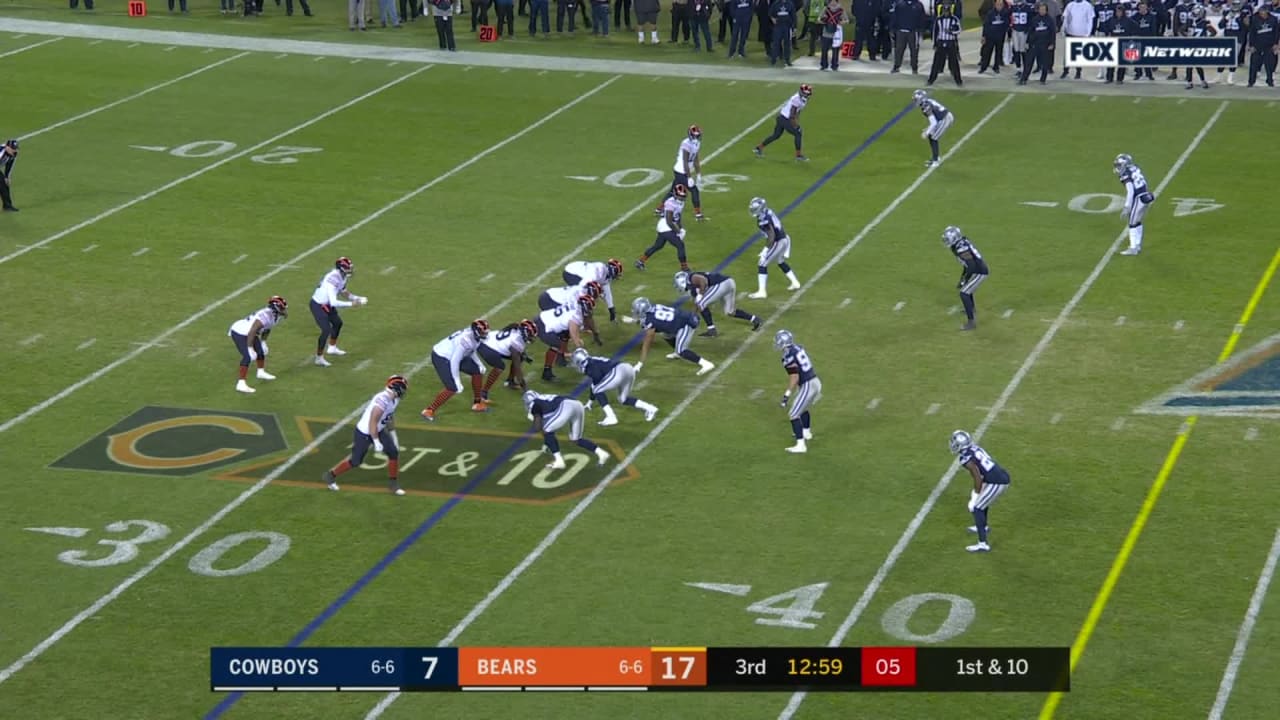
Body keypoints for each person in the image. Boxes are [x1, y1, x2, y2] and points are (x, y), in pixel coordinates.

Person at [324, 375, 410, 496]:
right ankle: (330, 475)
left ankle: (393, 484)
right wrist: (376, 441)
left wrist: (393, 435)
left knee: (393, 452)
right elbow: (372, 422)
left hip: (378, 430)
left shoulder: (394, 399)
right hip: (365, 432)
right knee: (355, 461)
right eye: (403, 388)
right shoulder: (382, 400)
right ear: (397, 388)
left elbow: (389, 417)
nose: (404, 391)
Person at [949, 429, 1011, 553]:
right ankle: (983, 526)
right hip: (997, 476)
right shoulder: (974, 448)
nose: (952, 444)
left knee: (977, 508)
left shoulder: (965, 458)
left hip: (997, 482)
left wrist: (975, 496)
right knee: (982, 504)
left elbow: (977, 477)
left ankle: (982, 544)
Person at [421, 319, 492, 420]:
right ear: (476, 331)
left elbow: (471, 350)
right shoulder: (465, 340)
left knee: (477, 371)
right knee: (452, 387)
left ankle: (477, 403)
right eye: (482, 332)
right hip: (442, 356)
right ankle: (429, 410)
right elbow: (455, 361)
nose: (485, 334)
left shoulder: (473, 337)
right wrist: (457, 381)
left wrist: (479, 364)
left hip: (455, 354)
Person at [524, 390, 613, 469]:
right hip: (577, 404)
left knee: (546, 430)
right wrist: (548, 442)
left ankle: (559, 461)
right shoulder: (543, 398)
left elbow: (538, 427)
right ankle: (602, 453)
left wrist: (544, 434)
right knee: (576, 439)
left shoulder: (534, 404)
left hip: (566, 406)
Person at [570, 348, 660, 425]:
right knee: (622, 399)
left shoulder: (589, 366)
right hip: (627, 368)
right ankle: (651, 408)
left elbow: (596, 382)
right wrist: (590, 402)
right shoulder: (593, 360)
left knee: (597, 390)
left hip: (618, 372)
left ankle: (611, 416)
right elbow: (594, 383)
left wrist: (593, 396)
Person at [631, 297, 716, 376]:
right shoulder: (655, 306)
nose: (635, 312)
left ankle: (706, 364)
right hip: (682, 319)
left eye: (637, 311)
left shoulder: (650, 320)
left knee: (681, 350)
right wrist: (638, 321)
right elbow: (658, 322)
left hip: (686, 324)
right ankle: (677, 353)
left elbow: (647, 342)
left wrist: (640, 363)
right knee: (666, 335)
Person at [309, 257, 367, 368]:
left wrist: (357, 298)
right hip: (318, 305)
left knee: (337, 323)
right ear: (341, 268)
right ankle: (319, 358)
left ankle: (332, 348)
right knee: (326, 330)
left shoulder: (342, 276)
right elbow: (334, 302)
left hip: (327, 304)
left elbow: (344, 292)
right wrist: (352, 304)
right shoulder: (333, 279)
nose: (350, 269)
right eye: (348, 267)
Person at [773, 329, 821, 454]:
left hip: (808, 384)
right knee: (803, 408)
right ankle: (806, 433)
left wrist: (786, 395)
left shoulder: (788, 356)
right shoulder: (798, 347)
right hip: (815, 381)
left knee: (793, 414)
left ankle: (801, 445)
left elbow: (795, 377)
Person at [227, 296, 288, 394]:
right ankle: (241, 384)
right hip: (240, 332)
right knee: (248, 356)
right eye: (282, 308)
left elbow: (267, 328)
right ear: (275, 308)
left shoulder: (274, 316)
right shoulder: (265, 315)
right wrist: (250, 348)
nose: (284, 310)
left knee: (260, 351)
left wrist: (263, 342)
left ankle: (261, 372)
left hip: (250, 332)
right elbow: (252, 331)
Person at [674, 269, 763, 337]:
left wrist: (700, 295)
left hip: (722, 284)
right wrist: (691, 316)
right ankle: (755, 319)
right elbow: (696, 305)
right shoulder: (692, 289)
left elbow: (703, 281)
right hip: (729, 283)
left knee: (701, 303)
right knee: (729, 312)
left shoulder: (691, 277)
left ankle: (711, 330)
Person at [747, 197, 801, 298]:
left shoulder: (763, 219)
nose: (753, 210)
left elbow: (771, 236)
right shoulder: (768, 211)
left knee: (762, 264)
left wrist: (765, 250)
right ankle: (795, 282)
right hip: (784, 238)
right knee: (780, 261)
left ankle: (762, 292)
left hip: (778, 241)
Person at [942, 226, 988, 331]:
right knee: (966, 288)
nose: (946, 241)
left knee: (964, 293)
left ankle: (971, 323)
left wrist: (964, 279)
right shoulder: (960, 244)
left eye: (947, 239)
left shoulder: (961, 248)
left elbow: (971, 266)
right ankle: (971, 308)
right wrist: (963, 278)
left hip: (980, 272)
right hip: (976, 269)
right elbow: (967, 265)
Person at [635, 184, 690, 272]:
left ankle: (640, 261)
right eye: (680, 196)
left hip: (668, 225)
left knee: (658, 246)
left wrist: (680, 227)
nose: (682, 198)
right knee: (680, 245)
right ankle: (685, 268)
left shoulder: (681, 202)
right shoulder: (670, 203)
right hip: (665, 226)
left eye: (683, 196)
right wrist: (678, 231)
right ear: (675, 194)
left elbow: (678, 216)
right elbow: (669, 221)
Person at [656, 125, 704, 222]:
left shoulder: (697, 143)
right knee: (694, 191)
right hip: (681, 171)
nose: (698, 137)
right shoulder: (686, 144)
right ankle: (698, 214)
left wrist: (698, 173)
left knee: (672, 191)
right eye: (697, 135)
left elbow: (695, 159)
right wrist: (689, 177)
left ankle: (659, 209)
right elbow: (685, 161)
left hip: (683, 171)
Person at [753, 84, 811, 162]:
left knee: (776, 135)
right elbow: (792, 114)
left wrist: (797, 119)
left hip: (781, 117)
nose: (806, 94)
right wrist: (795, 125)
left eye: (808, 93)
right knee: (798, 133)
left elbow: (798, 110)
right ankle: (798, 155)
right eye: (805, 93)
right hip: (785, 119)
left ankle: (758, 148)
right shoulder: (796, 99)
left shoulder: (802, 99)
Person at [1114, 153, 1154, 256]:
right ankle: (1137, 245)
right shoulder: (1135, 168)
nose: (1118, 167)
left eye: (1119, 165)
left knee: (1132, 223)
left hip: (1139, 197)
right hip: (1146, 195)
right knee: (1137, 221)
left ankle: (1133, 248)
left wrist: (1127, 206)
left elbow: (1130, 191)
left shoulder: (1125, 174)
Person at [912, 89, 954, 168]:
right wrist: (928, 129)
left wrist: (926, 133)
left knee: (933, 137)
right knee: (932, 135)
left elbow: (933, 122)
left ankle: (935, 161)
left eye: (916, 99)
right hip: (944, 117)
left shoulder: (925, 106)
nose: (915, 101)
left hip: (945, 119)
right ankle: (936, 157)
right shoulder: (928, 101)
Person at [928, 0, 964, 86]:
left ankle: (958, 81)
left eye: (947, 11)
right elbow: (935, 32)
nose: (946, 12)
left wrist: (951, 31)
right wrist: (935, 44)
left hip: (951, 42)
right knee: (936, 62)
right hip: (941, 42)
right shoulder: (938, 20)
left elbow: (959, 30)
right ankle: (931, 80)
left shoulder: (954, 19)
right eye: (944, 11)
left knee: (954, 63)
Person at [1020, 2, 1056, 84]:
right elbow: (1030, 32)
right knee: (1028, 62)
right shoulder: (1034, 19)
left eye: (1043, 9)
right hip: (1034, 44)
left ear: (1046, 10)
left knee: (1045, 64)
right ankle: (1024, 79)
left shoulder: (1050, 20)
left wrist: (1052, 43)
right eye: (1040, 9)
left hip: (1045, 45)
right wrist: (1027, 42)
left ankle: (1043, 80)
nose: (1042, 11)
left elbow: (1052, 33)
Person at [1059, 0, 1095, 78]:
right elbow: (1066, 18)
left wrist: (1088, 33)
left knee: (1078, 55)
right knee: (1068, 54)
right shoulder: (1070, 5)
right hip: (1070, 33)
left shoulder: (1088, 5)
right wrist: (1063, 28)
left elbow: (1090, 20)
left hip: (1081, 34)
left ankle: (1078, 72)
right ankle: (1065, 71)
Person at [1248, 3, 1279, 87]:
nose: (1262, 14)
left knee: (1270, 65)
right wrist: (1251, 45)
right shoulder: (1255, 19)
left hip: (1269, 45)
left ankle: (1269, 81)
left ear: (1267, 12)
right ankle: (1251, 81)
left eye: (1264, 12)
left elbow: (1276, 32)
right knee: (1254, 65)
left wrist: (1276, 44)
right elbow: (1252, 33)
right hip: (1257, 45)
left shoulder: (1274, 19)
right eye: (1261, 12)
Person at [891, 0, 924, 73]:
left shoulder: (918, 5)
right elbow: (895, 17)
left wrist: (921, 31)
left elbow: (922, 19)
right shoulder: (899, 4)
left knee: (914, 51)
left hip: (913, 31)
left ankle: (914, 68)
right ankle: (896, 66)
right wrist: (893, 28)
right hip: (901, 31)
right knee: (899, 50)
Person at [978, 0, 1011, 73]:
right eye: (998, 4)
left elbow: (1007, 24)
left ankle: (996, 67)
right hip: (990, 37)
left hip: (1000, 36)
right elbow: (986, 25)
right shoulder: (990, 13)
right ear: (995, 5)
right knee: (987, 52)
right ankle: (983, 67)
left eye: (1001, 5)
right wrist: (984, 36)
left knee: (998, 52)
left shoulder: (1005, 13)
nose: (999, 6)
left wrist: (1006, 33)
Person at [819, 0, 848, 70]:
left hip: (836, 33)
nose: (833, 3)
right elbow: (819, 19)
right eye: (832, 1)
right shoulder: (826, 9)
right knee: (824, 49)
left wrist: (840, 22)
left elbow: (847, 20)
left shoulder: (841, 10)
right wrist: (824, 20)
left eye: (835, 1)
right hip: (826, 32)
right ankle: (824, 64)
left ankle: (834, 65)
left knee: (835, 50)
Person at [769, 0, 798, 65]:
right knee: (776, 43)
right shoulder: (776, 3)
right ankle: (773, 59)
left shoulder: (790, 4)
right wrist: (773, 19)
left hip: (787, 26)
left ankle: (787, 60)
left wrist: (794, 27)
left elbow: (794, 15)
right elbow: (770, 13)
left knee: (787, 43)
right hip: (778, 26)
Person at [0, 139, 18, 212]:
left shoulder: (14, 154)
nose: (14, 151)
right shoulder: (1, 151)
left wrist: (7, 177)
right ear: (7, 147)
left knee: (4, 184)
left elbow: (9, 165)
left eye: (15, 149)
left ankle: (7, 206)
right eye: (12, 149)